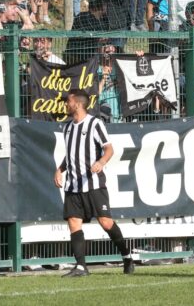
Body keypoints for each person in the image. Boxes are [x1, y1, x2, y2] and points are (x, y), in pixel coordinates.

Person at [53, 89, 134, 277]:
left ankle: (127, 256)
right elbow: (71, 155)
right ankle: (81, 266)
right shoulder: (67, 128)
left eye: (69, 101)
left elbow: (109, 149)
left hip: (94, 185)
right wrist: (60, 169)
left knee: (106, 222)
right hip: (73, 185)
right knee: (74, 222)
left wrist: (101, 162)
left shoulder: (95, 124)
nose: (66, 104)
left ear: (79, 104)